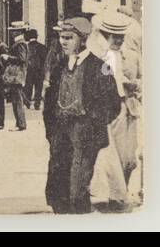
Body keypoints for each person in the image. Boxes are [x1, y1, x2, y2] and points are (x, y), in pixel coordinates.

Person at [43, 16, 121, 214]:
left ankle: (79, 213)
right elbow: (50, 100)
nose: (63, 42)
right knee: (58, 171)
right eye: (61, 37)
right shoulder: (59, 66)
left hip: (85, 129)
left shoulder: (101, 66)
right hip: (61, 128)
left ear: (82, 40)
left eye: (68, 38)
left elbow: (113, 104)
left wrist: (94, 123)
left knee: (79, 180)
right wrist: (51, 128)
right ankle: (60, 210)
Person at [92, 11, 142, 210]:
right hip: (109, 112)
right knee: (110, 158)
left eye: (122, 37)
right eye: (115, 37)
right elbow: (101, 85)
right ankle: (115, 197)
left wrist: (134, 85)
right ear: (106, 36)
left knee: (129, 158)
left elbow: (142, 78)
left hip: (128, 108)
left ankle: (120, 193)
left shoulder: (129, 55)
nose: (120, 41)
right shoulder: (102, 58)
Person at [1, 28, 28, 131]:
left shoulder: (20, 44)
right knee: (17, 99)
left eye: (14, 31)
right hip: (17, 75)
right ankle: (19, 123)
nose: (12, 33)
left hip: (17, 75)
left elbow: (22, 59)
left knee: (17, 100)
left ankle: (21, 124)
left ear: (19, 32)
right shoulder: (20, 43)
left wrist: (8, 57)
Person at [24, 29, 47, 111]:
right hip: (39, 70)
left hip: (29, 70)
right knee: (38, 87)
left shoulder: (26, 47)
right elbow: (45, 60)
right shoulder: (42, 47)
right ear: (36, 36)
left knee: (28, 86)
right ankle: (37, 104)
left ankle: (27, 103)